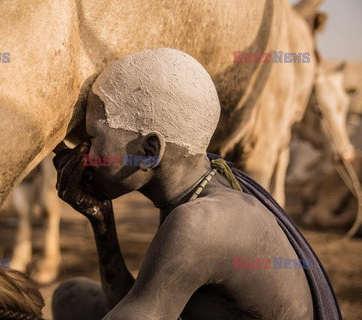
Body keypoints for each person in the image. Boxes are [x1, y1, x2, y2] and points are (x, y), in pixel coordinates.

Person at [51, 48, 340, 320]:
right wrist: (101, 220)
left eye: (93, 138)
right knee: (72, 297)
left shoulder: (199, 223)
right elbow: (139, 303)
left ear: (150, 151)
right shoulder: (200, 190)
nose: (84, 152)